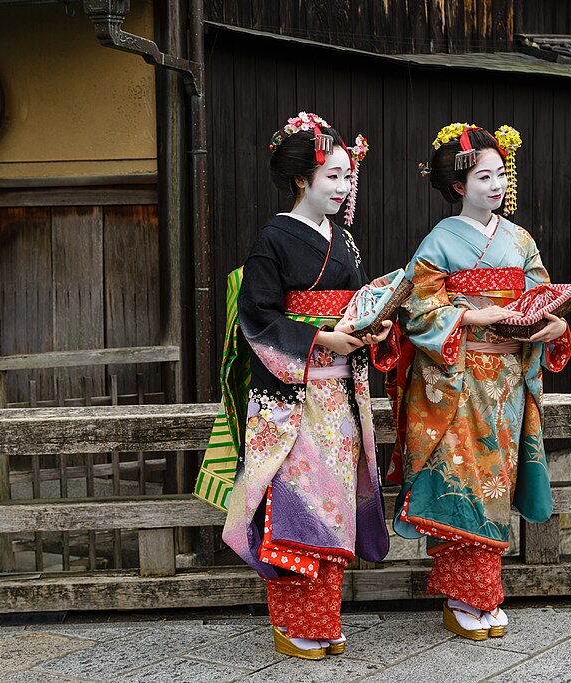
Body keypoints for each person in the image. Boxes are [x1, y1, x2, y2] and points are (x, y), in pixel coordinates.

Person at [388, 122, 571, 640]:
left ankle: (480, 594)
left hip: (509, 380)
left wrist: (554, 325)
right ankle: (465, 596)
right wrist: (473, 319)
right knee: (466, 484)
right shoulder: (439, 241)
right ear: (457, 187)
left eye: (499, 175)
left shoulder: (520, 240)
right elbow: (417, 308)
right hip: (458, 379)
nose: (495, 186)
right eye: (483, 177)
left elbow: (542, 297)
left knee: (497, 482)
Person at [221, 112, 394, 660]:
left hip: (339, 393)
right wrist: (321, 337)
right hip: (292, 396)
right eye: (334, 177)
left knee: (336, 501)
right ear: (303, 180)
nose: (344, 188)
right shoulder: (271, 239)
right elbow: (258, 317)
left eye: (348, 177)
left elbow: (356, 303)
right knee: (298, 504)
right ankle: (294, 619)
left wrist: (372, 327)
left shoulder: (344, 241)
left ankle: (323, 616)